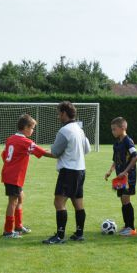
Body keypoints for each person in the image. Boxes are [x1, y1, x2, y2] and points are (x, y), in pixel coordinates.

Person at [44, 101, 91, 244]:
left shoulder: (64, 131)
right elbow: (87, 149)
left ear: (64, 113)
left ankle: (59, 236)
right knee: (78, 203)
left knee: (59, 202)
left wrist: (37, 152)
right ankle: (79, 233)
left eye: (59, 113)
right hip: (80, 170)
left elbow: (55, 153)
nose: (58, 116)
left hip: (68, 171)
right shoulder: (79, 129)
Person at [1, 114, 51, 238]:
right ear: (25, 127)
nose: (33, 130)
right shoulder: (25, 141)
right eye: (32, 128)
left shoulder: (11, 138)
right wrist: (60, 155)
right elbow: (43, 153)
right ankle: (8, 231)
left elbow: (4, 155)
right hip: (14, 176)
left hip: (10, 174)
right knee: (13, 201)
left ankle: (18, 226)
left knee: (20, 198)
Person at [105, 117, 137, 236]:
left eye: (114, 129)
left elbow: (136, 157)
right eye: (112, 129)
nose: (112, 131)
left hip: (128, 176)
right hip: (119, 176)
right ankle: (127, 225)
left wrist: (125, 171)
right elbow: (116, 159)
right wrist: (110, 171)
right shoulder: (117, 142)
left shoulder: (128, 141)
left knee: (126, 198)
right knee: (123, 200)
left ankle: (132, 228)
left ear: (122, 128)